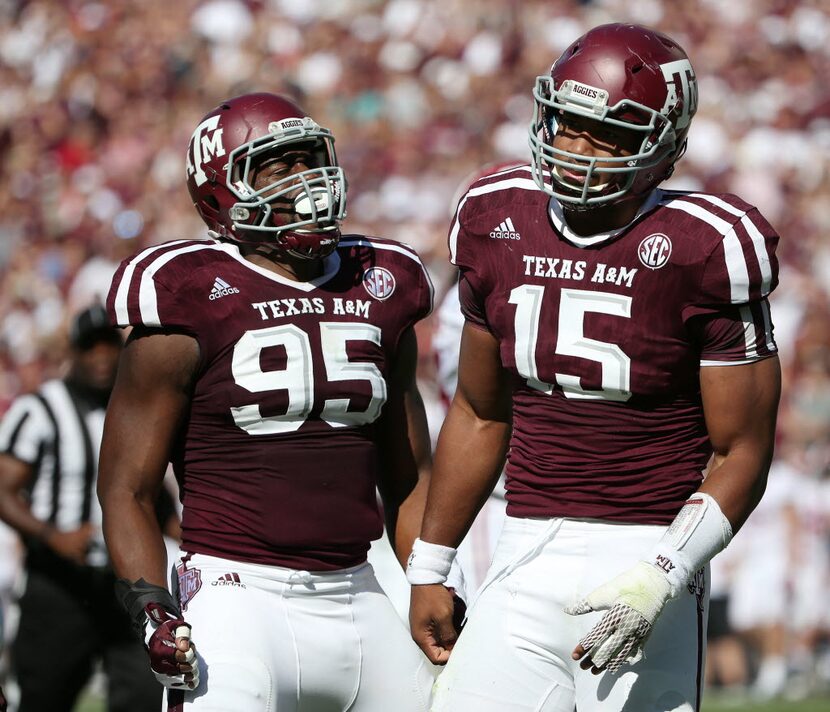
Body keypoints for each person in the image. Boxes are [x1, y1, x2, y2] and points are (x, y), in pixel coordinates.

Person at [407, 23, 781, 712]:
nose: (577, 148)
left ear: (664, 144)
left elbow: (743, 450)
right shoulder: (496, 215)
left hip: (648, 548)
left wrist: (663, 575)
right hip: (524, 547)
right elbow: (481, 411)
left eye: (609, 134)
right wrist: (431, 565)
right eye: (568, 123)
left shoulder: (709, 246)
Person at [97, 92, 436, 711]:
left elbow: (408, 473)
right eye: (278, 167)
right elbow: (127, 488)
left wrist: (435, 577)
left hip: (360, 588)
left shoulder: (382, 284)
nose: (306, 181)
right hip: (235, 595)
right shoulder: (187, 294)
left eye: (311, 159)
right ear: (220, 192)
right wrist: (151, 607)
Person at [0, 304, 163, 711]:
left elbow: (148, 488)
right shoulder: (38, 409)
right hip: (57, 585)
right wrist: (52, 536)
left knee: (145, 696)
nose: (102, 358)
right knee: (43, 697)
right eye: (90, 348)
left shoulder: (137, 408)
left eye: (109, 347)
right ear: (72, 352)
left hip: (124, 582)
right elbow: (2, 489)